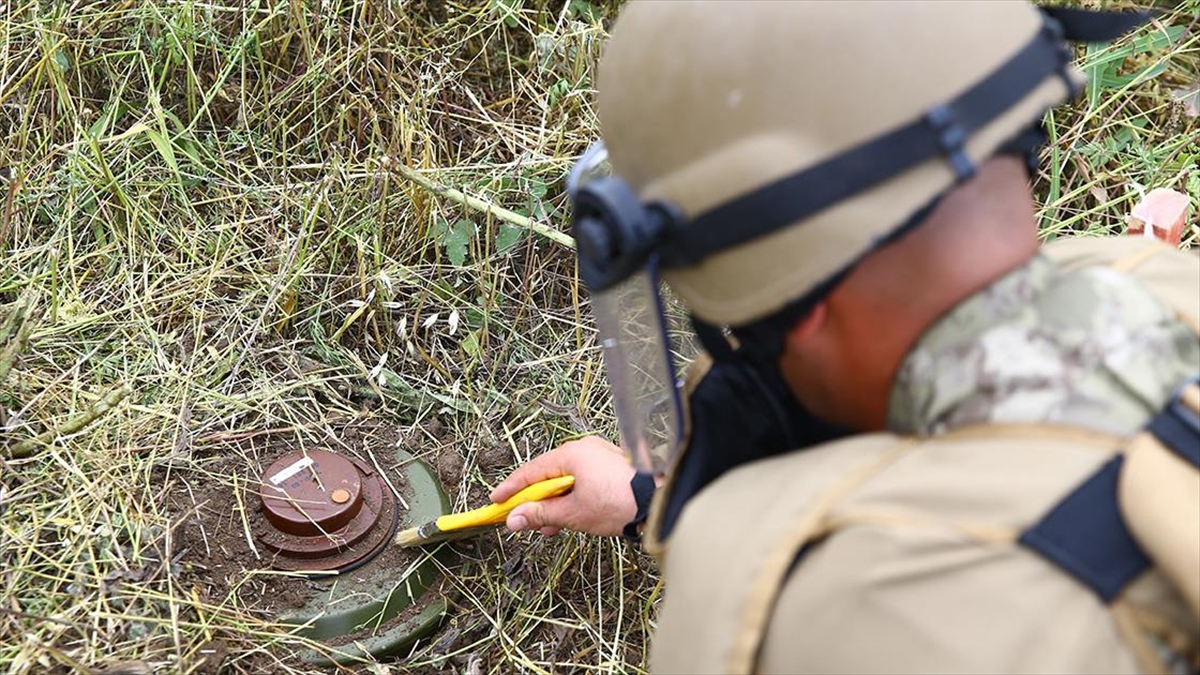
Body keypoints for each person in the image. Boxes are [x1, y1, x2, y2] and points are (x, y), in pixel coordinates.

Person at [490, 2, 1200, 673]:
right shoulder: (1146, 276)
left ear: (788, 298)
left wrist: (728, 543)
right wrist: (646, 498)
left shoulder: (861, 610)